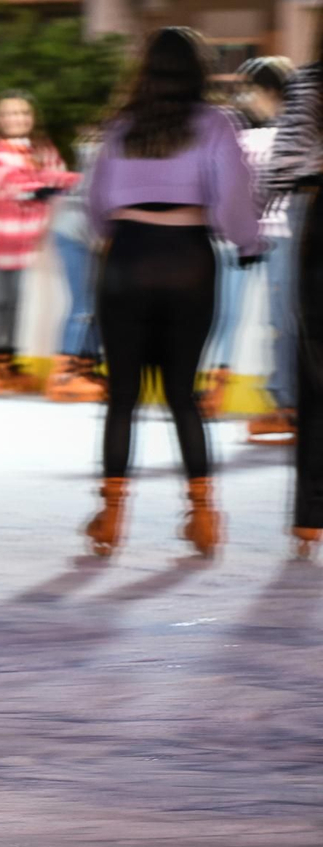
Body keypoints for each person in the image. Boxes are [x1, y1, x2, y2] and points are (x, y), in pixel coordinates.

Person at [83, 27, 262, 559]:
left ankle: (111, 518)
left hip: (128, 258)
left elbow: (95, 206)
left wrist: (118, 237)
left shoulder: (121, 127)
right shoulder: (216, 124)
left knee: (123, 397)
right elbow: (232, 200)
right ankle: (203, 516)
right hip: (188, 258)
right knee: (183, 395)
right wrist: (248, 242)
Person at [0, 90, 79, 394]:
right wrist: (42, 185)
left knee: (16, 300)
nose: (15, 119)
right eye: (8, 114)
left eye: (21, 113)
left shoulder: (41, 148)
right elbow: (6, 182)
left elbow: (58, 175)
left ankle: (8, 360)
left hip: (22, 240)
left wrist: (66, 180)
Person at [266, 24, 323, 554]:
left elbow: (283, 162)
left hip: (320, 215)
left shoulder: (310, 81)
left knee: (316, 371)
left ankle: (310, 517)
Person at [234, 57, 299, 442]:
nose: (247, 99)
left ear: (270, 92)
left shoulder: (278, 136)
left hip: (284, 236)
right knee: (282, 323)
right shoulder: (276, 133)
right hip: (279, 236)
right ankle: (285, 401)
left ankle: (288, 406)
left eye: (251, 90)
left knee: (284, 323)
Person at [44, 125, 108, 403]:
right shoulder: (99, 169)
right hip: (73, 236)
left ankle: (85, 365)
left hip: (86, 237)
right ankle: (65, 373)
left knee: (95, 306)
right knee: (82, 305)